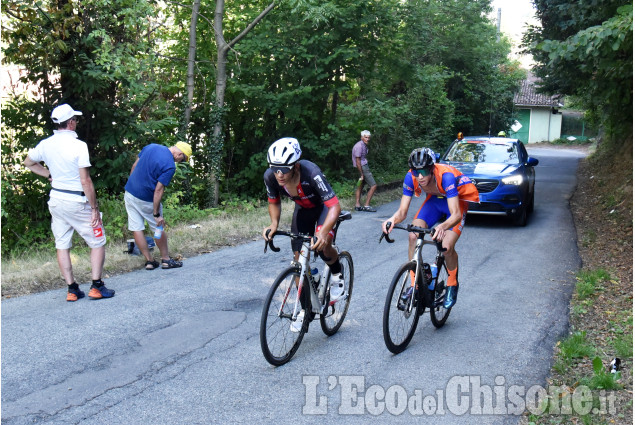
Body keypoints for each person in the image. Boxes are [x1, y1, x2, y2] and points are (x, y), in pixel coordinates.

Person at [24, 103, 115, 301]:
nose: (76, 122)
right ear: (71, 123)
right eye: (75, 119)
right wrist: (93, 208)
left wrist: (49, 174)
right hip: (76, 200)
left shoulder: (46, 144)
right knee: (97, 241)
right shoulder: (79, 146)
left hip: (56, 200)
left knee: (62, 243)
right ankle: (96, 286)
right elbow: (85, 180)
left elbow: (28, 162)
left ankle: (72, 289)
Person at [262, 137, 345, 331]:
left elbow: (334, 206)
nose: (279, 174)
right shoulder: (270, 177)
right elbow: (273, 201)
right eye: (275, 168)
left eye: (285, 169)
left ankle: (337, 274)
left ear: (296, 166)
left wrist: (323, 232)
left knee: (323, 246)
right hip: (304, 210)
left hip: (325, 209)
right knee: (298, 260)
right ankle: (305, 309)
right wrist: (273, 224)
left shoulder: (312, 173)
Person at [381, 147, 479, 308]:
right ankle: (414, 286)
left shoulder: (446, 176)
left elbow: (456, 215)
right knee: (413, 234)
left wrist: (443, 226)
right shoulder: (410, 177)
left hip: (455, 204)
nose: (420, 177)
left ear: (432, 168)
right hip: (434, 202)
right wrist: (391, 220)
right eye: (416, 172)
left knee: (446, 248)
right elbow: (403, 211)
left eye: (424, 172)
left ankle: (452, 283)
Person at [124, 141, 191, 270]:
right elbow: (158, 190)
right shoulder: (170, 166)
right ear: (179, 154)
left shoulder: (151, 146)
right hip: (147, 199)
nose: (179, 161)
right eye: (182, 159)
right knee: (158, 228)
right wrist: (156, 214)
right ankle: (166, 259)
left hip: (130, 193)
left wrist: (132, 186)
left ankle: (149, 261)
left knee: (136, 228)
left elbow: (134, 166)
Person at [351, 130, 377, 212]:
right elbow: (358, 161)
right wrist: (362, 173)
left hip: (362, 166)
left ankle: (357, 205)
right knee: (373, 185)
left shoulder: (363, 145)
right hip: (362, 167)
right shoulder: (359, 146)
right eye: (366, 137)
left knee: (360, 185)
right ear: (362, 137)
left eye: (369, 137)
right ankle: (367, 205)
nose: (368, 139)